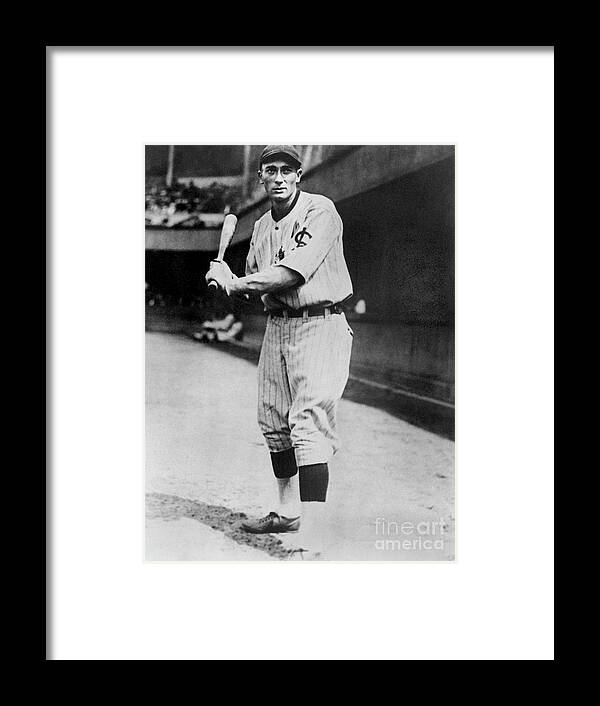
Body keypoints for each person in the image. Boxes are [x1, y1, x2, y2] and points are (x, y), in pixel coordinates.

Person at [205, 145, 353, 559]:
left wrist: (237, 284)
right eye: (271, 169)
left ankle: (316, 533)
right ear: (263, 179)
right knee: (274, 421)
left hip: (321, 324)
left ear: (299, 175)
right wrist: (225, 276)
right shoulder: (261, 229)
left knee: (308, 424)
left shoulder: (319, 212)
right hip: (279, 327)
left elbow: (290, 274)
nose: (280, 176)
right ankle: (287, 512)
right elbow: (259, 284)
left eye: (288, 169)